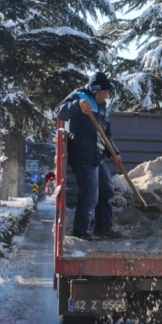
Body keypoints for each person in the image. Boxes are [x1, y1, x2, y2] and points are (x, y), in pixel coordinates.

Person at [57, 72, 123, 240]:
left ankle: (103, 227)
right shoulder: (79, 96)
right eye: (106, 92)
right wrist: (77, 105)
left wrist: (114, 154)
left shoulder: (104, 108)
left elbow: (107, 135)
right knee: (89, 195)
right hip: (83, 157)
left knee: (106, 190)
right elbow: (59, 111)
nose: (108, 95)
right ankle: (81, 232)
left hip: (98, 157)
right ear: (98, 91)